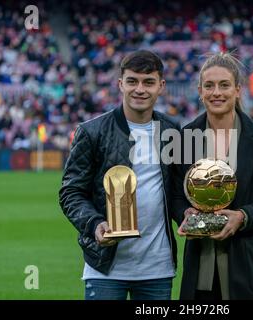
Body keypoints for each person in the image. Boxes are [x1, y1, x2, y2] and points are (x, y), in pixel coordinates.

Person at [59, 50, 179, 300]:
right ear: (120, 84)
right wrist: (94, 224)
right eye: (132, 81)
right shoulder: (91, 131)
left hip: (157, 268)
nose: (140, 89)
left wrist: (189, 213)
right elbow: (71, 192)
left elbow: (176, 191)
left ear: (161, 86)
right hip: (104, 267)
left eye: (149, 82)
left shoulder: (172, 130)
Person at [174, 52, 253, 300]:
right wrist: (184, 213)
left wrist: (242, 216)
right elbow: (175, 195)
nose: (216, 92)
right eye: (209, 86)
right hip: (202, 271)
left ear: (238, 90)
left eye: (224, 85)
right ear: (200, 91)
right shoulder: (185, 138)